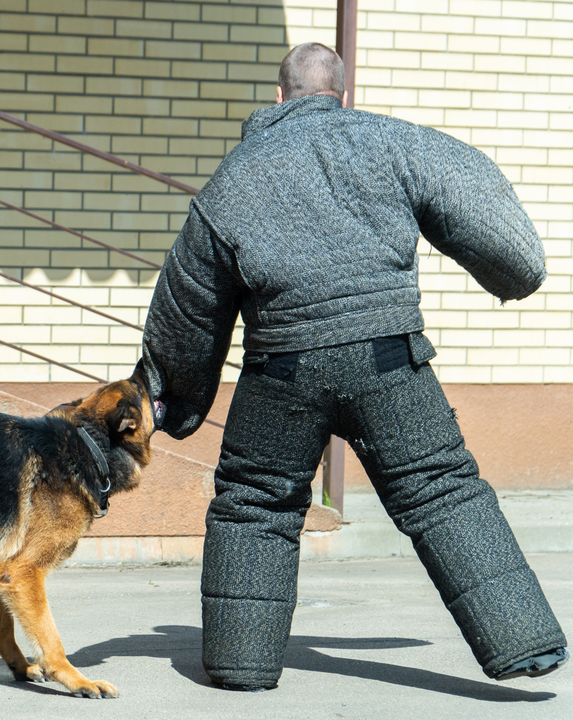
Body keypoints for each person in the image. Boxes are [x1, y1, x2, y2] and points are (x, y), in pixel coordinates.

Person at [140, 43, 568, 690]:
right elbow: (487, 215)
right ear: (339, 94)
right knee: (443, 491)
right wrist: (512, 274)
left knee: (255, 505)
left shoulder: (232, 180)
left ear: (278, 96)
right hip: (389, 358)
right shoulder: (395, 145)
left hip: (282, 369)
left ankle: (239, 665)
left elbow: (189, 309)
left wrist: (174, 400)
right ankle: (524, 645)